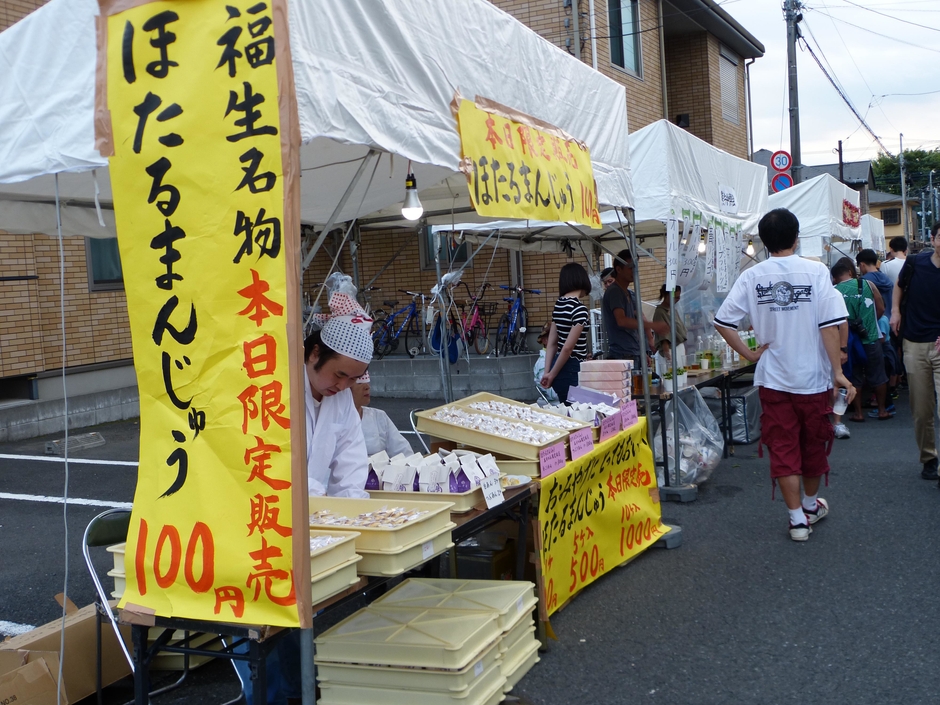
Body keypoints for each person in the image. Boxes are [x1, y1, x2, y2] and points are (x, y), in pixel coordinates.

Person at [714, 208, 853, 542]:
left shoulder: (752, 277)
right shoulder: (816, 272)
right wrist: (838, 372)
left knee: (783, 447)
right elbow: (830, 326)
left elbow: (723, 321)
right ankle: (808, 505)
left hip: (774, 379)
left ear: (764, 242)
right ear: (796, 236)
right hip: (813, 380)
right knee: (813, 446)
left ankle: (797, 521)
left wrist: (748, 354)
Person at [890, 222, 940, 481]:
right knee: (921, 410)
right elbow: (899, 285)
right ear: (933, 239)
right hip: (915, 342)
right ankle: (929, 458)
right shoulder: (915, 264)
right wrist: (895, 310)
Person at [832, 260, 890, 422]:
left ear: (835, 278)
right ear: (850, 273)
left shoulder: (834, 291)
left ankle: (858, 413)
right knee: (878, 375)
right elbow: (881, 308)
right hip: (870, 338)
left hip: (849, 342)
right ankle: (882, 410)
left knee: (854, 377)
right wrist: (871, 322)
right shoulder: (868, 285)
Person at [601, 249, 667, 366]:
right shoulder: (614, 291)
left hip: (632, 351)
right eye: (630, 267)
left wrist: (641, 351)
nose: (634, 271)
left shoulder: (628, 293)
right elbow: (621, 320)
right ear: (619, 269)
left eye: (635, 267)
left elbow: (639, 316)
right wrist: (652, 325)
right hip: (622, 354)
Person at [540, 263, 591, 403]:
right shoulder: (580, 309)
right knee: (577, 415)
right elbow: (568, 348)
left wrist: (548, 372)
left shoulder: (558, 305)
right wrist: (551, 374)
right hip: (572, 368)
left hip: (558, 365)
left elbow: (552, 343)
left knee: (567, 411)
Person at [350, 372, 413, 458]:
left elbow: (404, 453)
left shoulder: (379, 416)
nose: (367, 387)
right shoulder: (332, 421)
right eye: (360, 383)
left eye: (368, 382)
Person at [652, 284, 687, 362]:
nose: (678, 299)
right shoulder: (660, 312)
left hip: (679, 347)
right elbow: (664, 337)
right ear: (666, 295)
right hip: (669, 349)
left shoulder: (673, 310)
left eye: (679, 296)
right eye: (675, 297)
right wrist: (667, 353)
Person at [857, 248, 893, 315]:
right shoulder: (886, 278)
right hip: (889, 320)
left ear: (862, 265)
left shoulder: (863, 282)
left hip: (875, 320)